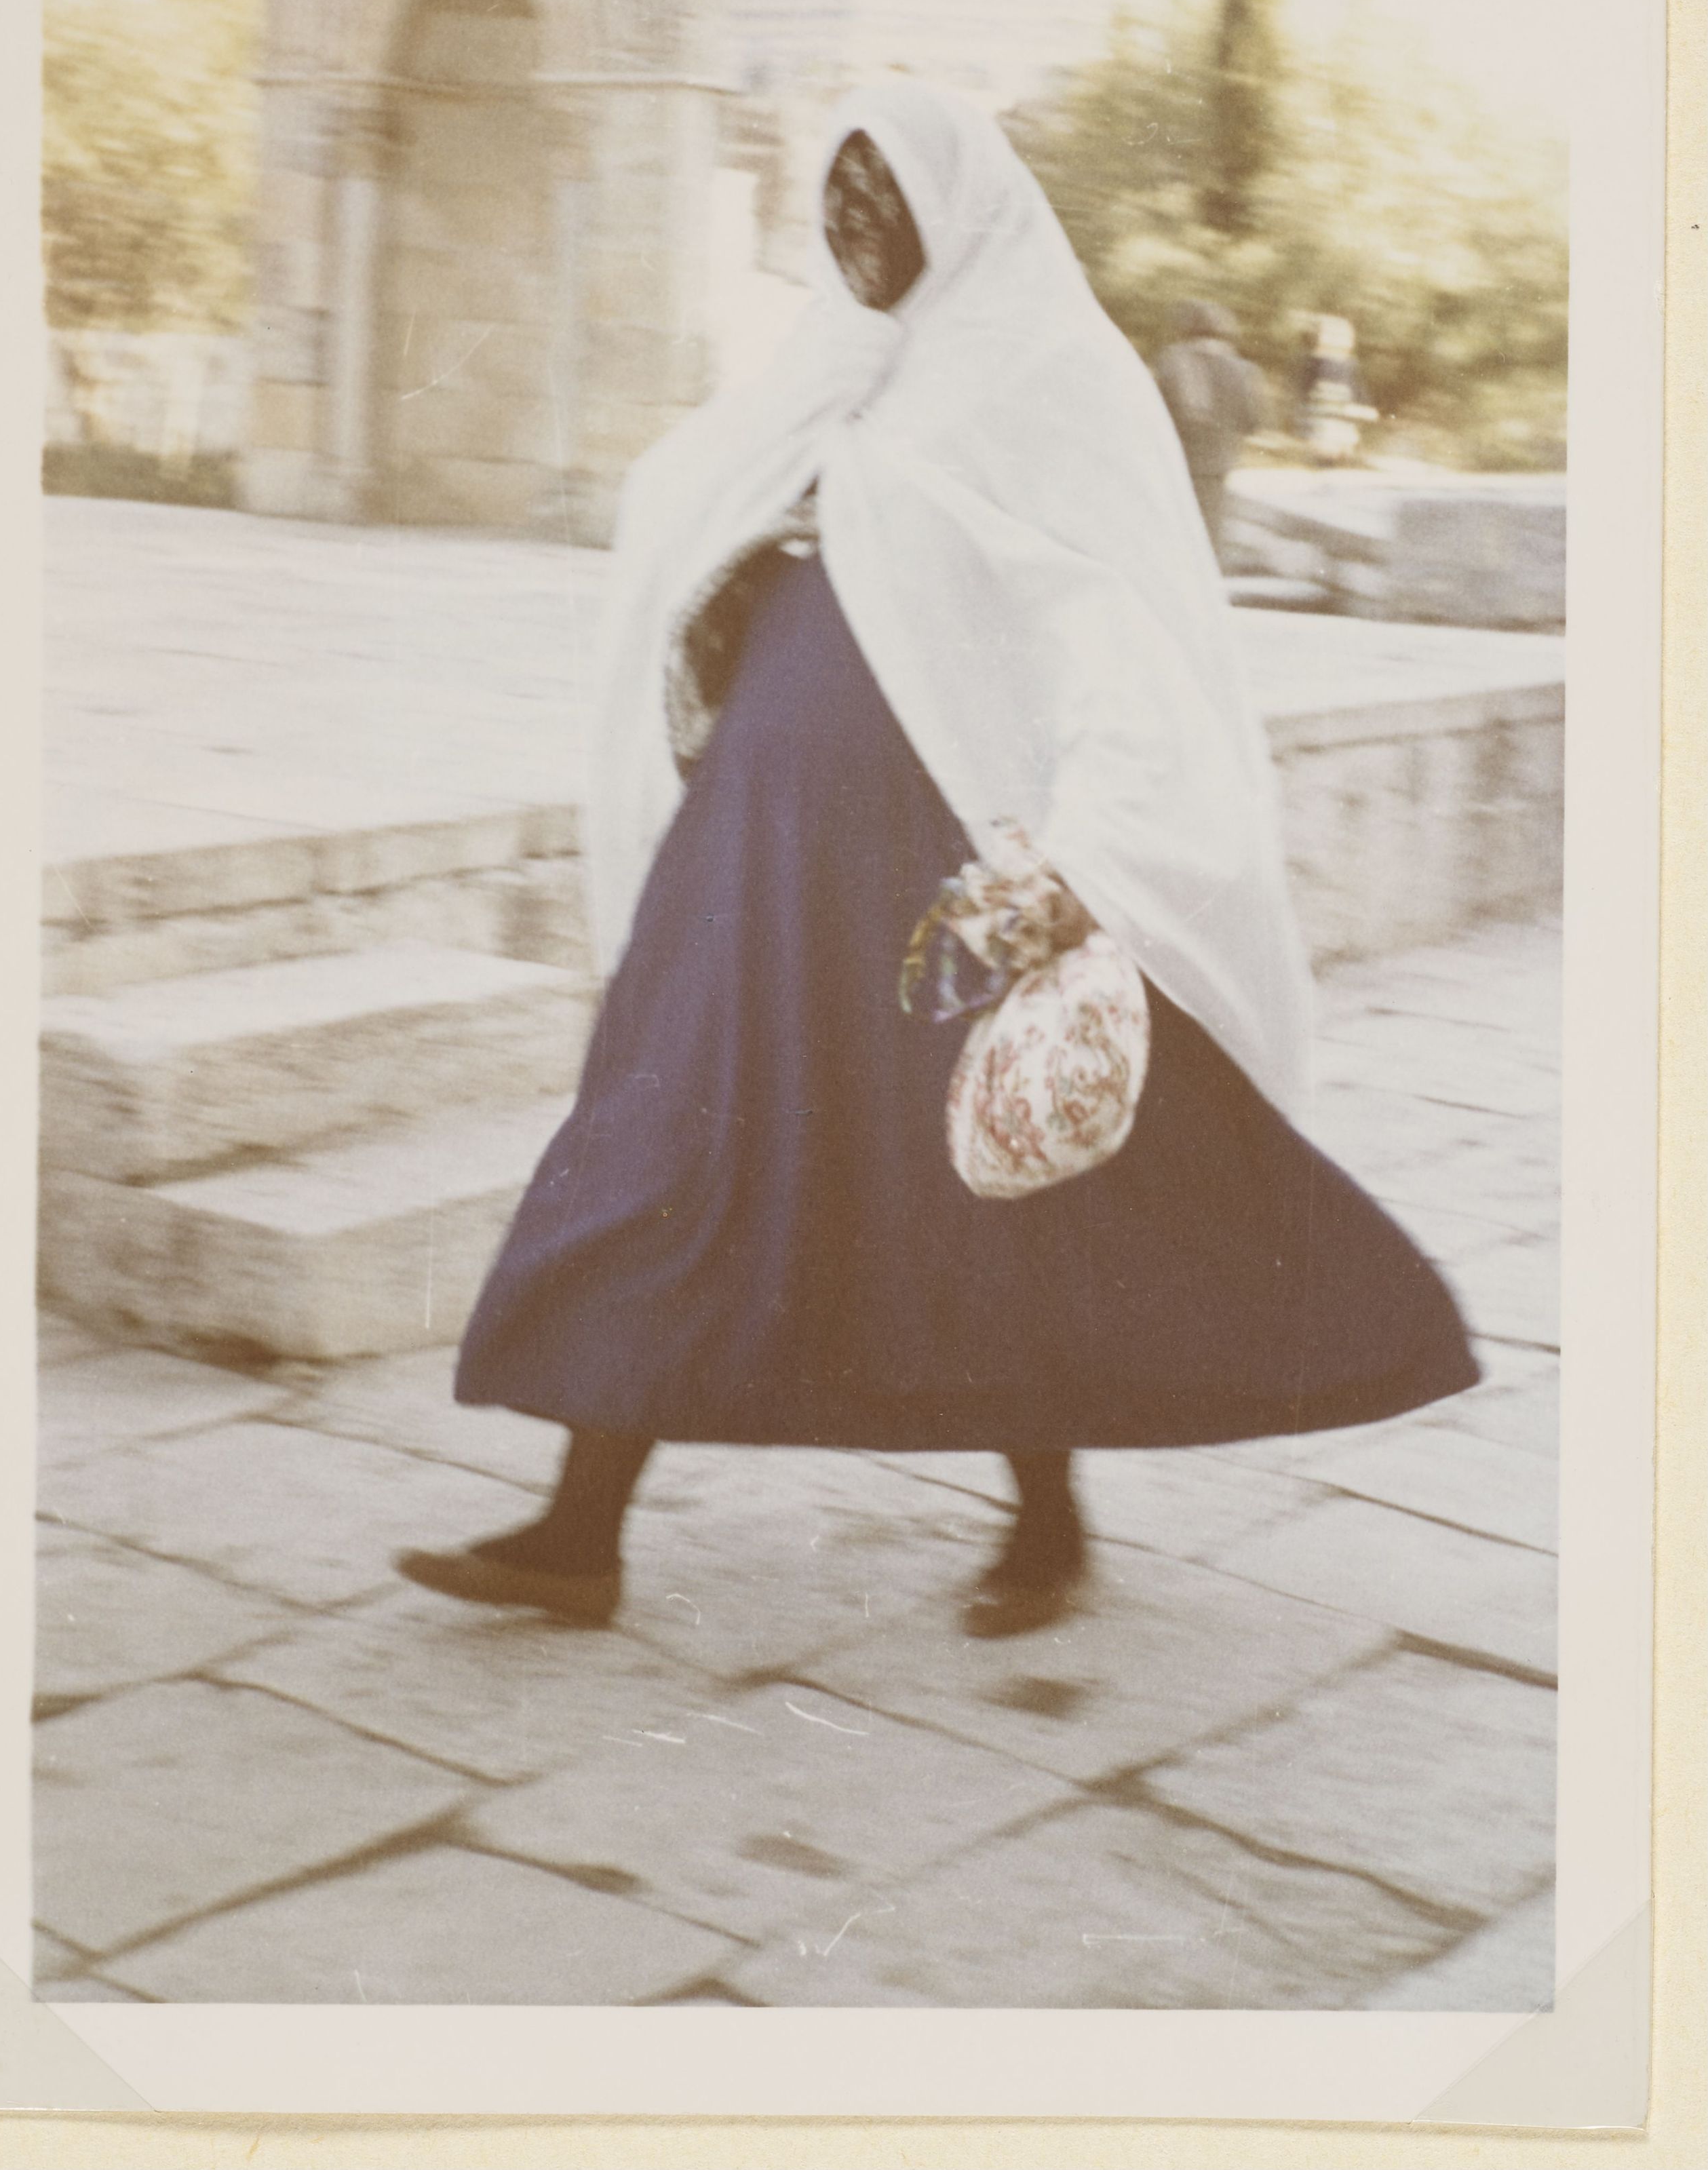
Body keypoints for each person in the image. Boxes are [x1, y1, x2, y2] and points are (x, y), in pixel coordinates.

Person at [397, 83, 1475, 1641]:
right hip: (752, 852)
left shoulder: (1051, 381)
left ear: (956, 210)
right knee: (662, 1135)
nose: (853, 228)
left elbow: (1119, 643)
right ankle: (580, 1533)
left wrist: (1085, 860)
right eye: (835, 199)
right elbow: (693, 526)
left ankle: (1047, 1518)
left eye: (883, 197)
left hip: (940, 857)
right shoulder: (823, 374)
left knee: (996, 1175)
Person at [1152, 299, 1266, 559]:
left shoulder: (1170, 361)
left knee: (1173, 531)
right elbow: (1253, 422)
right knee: (1208, 536)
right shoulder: (1244, 369)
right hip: (1219, 463)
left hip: (1175, 460)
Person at [1294, 314, 1377, 466]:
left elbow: (1358, 390)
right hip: (1321, 416)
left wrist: (1363, 406)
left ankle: (1338, 460)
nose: (1336, 340)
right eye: (1331, 335)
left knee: (1343, 449)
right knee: (1324, 449)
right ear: (1320, 337)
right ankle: (1322, 461)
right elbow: (1303, 390)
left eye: (1343, 336)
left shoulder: (1351, 365)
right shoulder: (1313, 362)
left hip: (1343, 417)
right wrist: (1304, 416)